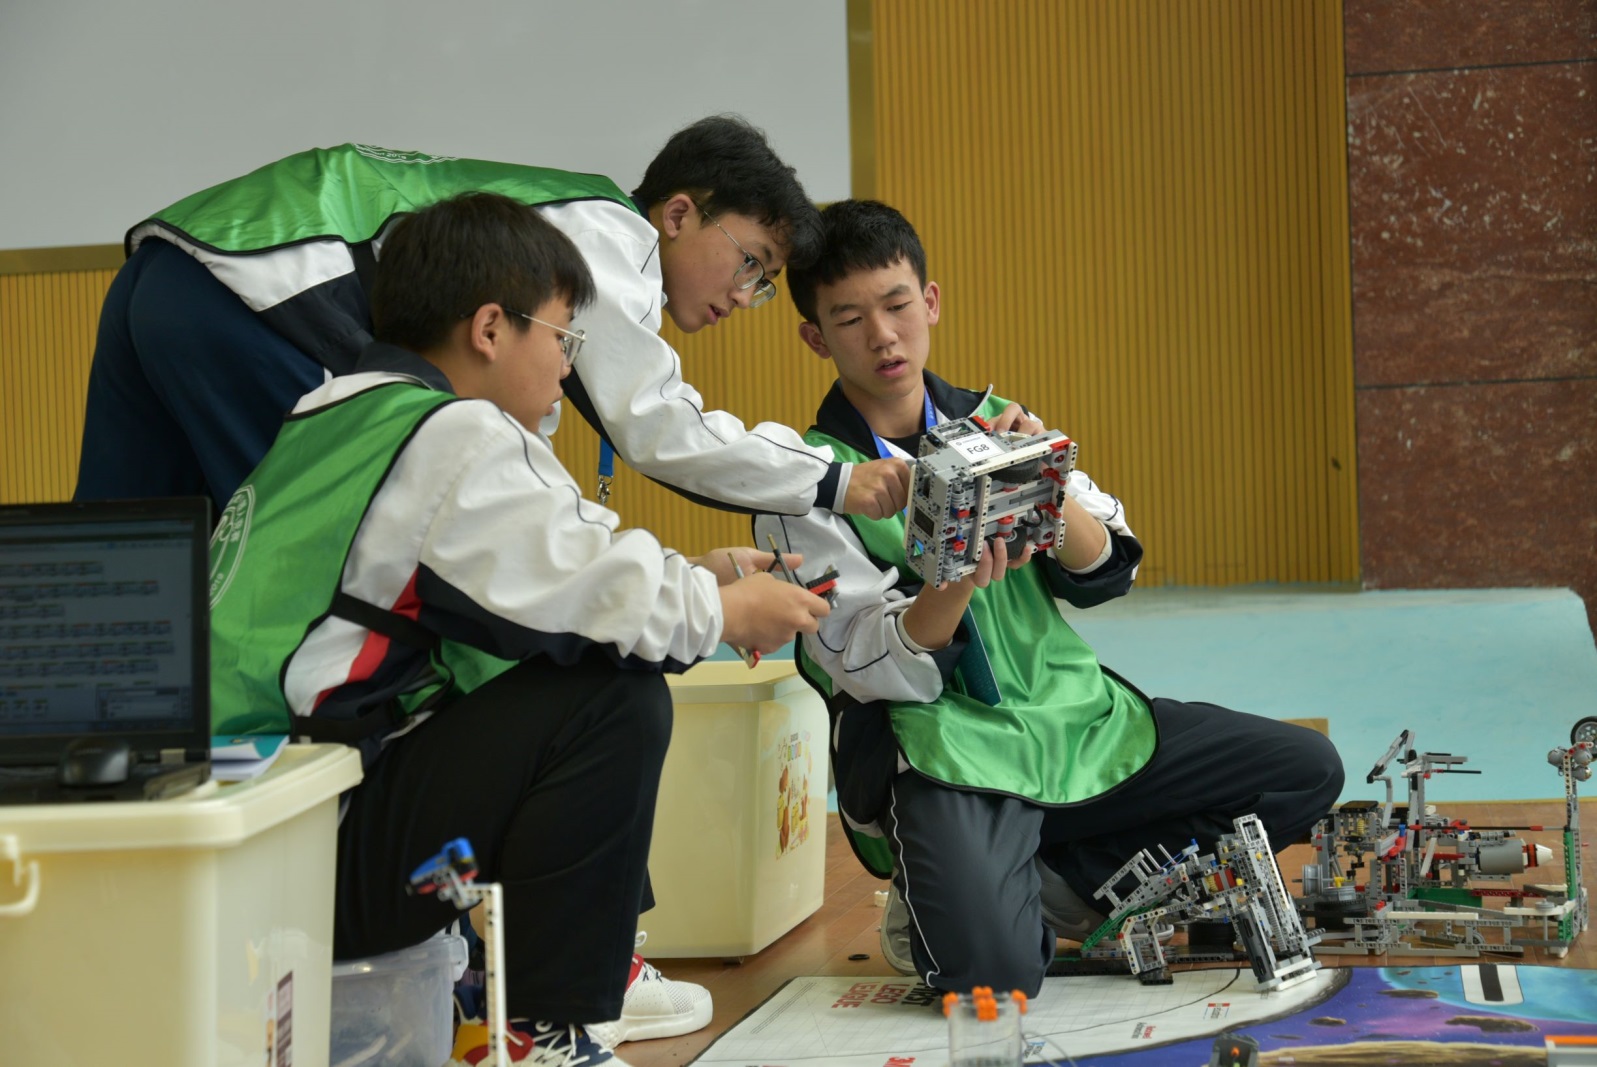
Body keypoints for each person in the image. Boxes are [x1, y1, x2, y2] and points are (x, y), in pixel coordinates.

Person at [206, 191, 831, 1067]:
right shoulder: (452, 433)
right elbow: (596, 591)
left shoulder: (335, 411)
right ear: (492, 328)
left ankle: (502, 997)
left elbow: (543, 584)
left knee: (564, 660)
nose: (566, 369)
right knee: (611, 701)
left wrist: (696, 576)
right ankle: (543, 1029)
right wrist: (722, 611)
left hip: (245, 848)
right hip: (313, 862)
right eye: (564, 338)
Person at [754, 199, 1345, 997]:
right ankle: (956, 893)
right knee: (989, 976)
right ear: (815, 338)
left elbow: (1110, 568)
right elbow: (867, 667)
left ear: (931, 301)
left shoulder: (1001, 422)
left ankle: (1051, 876)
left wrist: (1046, 479)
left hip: (1074, 722)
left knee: (1303, 770)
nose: (884, 336)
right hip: (946, 751)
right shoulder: (807, 481)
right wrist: (952, 577)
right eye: (850, 319)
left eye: (897, 305)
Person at [74, 117, 910, 520]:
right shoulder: (609, 235)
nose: (745, 294)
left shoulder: (549, 239)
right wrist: (835, 479)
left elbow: (516, 453)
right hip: (264, 293)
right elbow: (659, 426)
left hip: (169, 269)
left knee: (118, 563)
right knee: (308, 559)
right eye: (752, 262)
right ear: (680, 213)